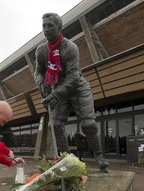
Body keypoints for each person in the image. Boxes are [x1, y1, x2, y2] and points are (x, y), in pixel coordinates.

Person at [34, 12, 109, 173]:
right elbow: (38, 71)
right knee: (54, 124)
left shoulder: (70, 47)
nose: (46, 29)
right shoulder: (41, 50)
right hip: (60, 88)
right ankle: (66, 160)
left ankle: (99, 156)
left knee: (88, 124)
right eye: (44, 26)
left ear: (59, 27)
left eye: (50, 26)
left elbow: (74, 76)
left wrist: (55, 95)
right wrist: (40, 82)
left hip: (77, 87)